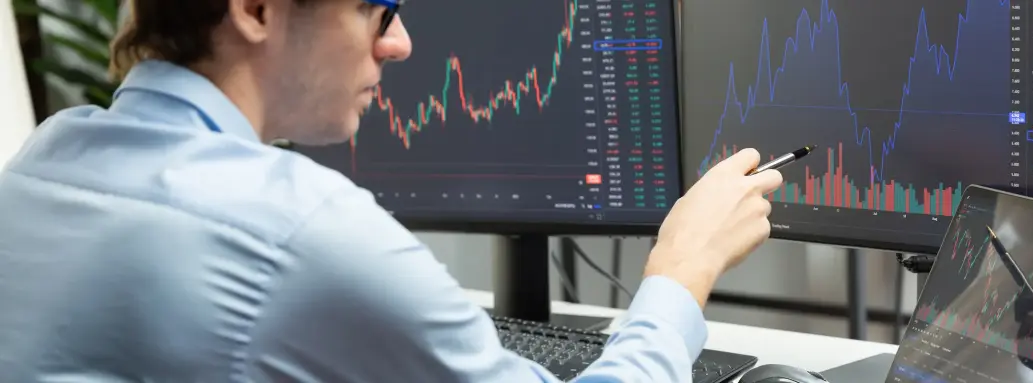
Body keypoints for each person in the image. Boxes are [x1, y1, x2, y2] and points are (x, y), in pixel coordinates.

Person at [0, 0, 783, 381]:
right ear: (257, 9)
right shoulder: (300, 227)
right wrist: (680, 271)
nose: (399, 42)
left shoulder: (45, 158)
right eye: (373, 8)